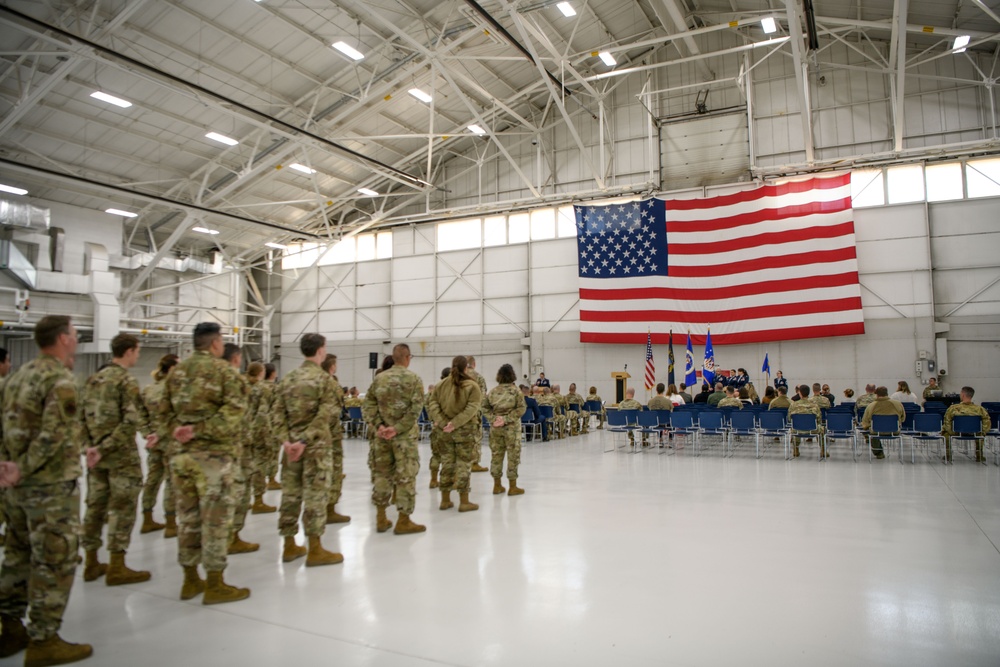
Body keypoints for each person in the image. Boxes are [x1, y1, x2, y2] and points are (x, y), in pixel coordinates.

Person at [0, 316, 93, 665]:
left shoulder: (15, 377)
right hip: (50, 489)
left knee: (17, 554)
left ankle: (9, 628)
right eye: (74, 333)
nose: (77, 338)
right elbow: (54, 435)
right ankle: (44, 639)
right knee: (54, 559)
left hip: (15, 490)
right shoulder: (60, 379)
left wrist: (7, 466)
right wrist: (23, 466)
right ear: (63, 339)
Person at [160, 322, 250, 605]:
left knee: (187, 519)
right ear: (215, 344)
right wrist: (199, 430)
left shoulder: (176, 374)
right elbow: (234, 413)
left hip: (181, 457)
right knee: (215, 520)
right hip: (214, 459)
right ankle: (215, 582)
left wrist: (179, 431)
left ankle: (189, 579)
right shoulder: (224, 372)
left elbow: (161, 413)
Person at [81, 333, 158, 586]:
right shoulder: (125, 381)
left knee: (95, 507)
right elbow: (130, 421)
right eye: (137, 351)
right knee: (122, 509)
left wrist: (90, 448)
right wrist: (106, 448)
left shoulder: (93, 379)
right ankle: (116, 565)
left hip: (96, 458)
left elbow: (80, 418)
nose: (138, 355)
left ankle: (91, 560)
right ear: (128, 351)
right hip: (120, 457)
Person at [270, 335, 343, 566]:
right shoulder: (325, 381)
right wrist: (303, 441)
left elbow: (276, 414)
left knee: (290, 495)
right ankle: (315, 549)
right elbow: (325, 416)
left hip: (290, 450)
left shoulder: (288, 379)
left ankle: (289, 545)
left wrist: (287, 442)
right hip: (315, 449)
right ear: (321, 350)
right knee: (315, 496)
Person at [364, 344, 425, 534]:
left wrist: (380, 426)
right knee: (406, 476)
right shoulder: (414, 379)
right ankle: (403, 520)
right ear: (407, 357)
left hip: (381, 437)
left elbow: (368, 405)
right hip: (404, 438)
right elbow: (415, 410)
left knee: (382, 475)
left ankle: (381, 517)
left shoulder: (379, 379)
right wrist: (397, 428)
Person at [428, 356, 482, 514]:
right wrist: (455, 423)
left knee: (447, 463)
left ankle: (445, 500)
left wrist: (443, 422)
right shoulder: (473, 386)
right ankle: (464, 501)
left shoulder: (440, 385)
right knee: (464, 464)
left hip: (444, 432)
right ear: (466, 368)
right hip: (464, 431)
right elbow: (472, 407)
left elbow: (432, 403)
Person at [222, 343, 257, 556]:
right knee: (238, 490)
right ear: (236, 359)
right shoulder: (235, 382)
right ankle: (232, 536)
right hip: (236, 446)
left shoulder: (185, 376)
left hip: (202, 453)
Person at [140, 354, 180, 538]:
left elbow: (140, 415)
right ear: (171, 368)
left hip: (153, 443)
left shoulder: (149, 389)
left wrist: (148, 434)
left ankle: (147, 518)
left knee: (152, 479)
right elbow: (174, 418)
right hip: (170, 441)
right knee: (172, 482)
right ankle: (171, 523)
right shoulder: (174, 390)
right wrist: (159, 434)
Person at [484, 365, 527, 496]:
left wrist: (493, 419)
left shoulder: (492, 392)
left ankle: (497, 486)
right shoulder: (516, 391)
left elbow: (484, 408)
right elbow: (521, 409)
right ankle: (512, 487)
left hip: (496, 429)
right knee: (513, 456)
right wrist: (507, 419)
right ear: (512, 375)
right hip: (512, 429)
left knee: (496, 455)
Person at [320, 354, 349, 524]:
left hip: (305, 438)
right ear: (332, 366)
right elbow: (334, 412)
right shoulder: (332, 384)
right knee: (334, 470)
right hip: (329, 435)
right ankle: (329, 509)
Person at [248, 362, 278, 514]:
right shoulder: (262, 389)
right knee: (259, 465)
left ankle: (244, 500)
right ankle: (258, 501)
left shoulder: (243, 386)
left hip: (242, 432)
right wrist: (266, 436)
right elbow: (262, 414)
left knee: (245, 466)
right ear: (261, 372)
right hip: (258, 432)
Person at [942, 386, 992, 463]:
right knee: (981, 434)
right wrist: (982, 432)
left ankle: (948, 455)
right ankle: (979, 455)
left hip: (957, 432)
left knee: (945, 433)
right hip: (975, 433)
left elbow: (947, 422)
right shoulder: (980, 409)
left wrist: (952, 432)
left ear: (962, 395)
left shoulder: (953, 408)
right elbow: (987, 421)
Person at [860, 386, 905, 460]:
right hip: (894, 431)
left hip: (876, 431)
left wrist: (867, 426)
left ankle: (879, 453)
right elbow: (903, 418)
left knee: (872, 433)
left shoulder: (871, 406)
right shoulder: (898, 404)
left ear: (876, 394)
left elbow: (865, 422)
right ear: (887, 394)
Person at [466, 356, 490, 472]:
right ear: (474, 364)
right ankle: (474, 463)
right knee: (475, 437)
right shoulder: (478, 377)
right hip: (474, 412)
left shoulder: (457, 377)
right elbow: (483, 396)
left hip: (459, 413)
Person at [787, 385, 823, 457]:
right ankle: (823, 450)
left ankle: (796, 448)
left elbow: (789, 419)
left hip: (797, 430)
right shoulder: (814, 405)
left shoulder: (793, 405)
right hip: (813, 430)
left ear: (799, 393)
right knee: (822, 429)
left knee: (794, 427)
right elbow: (819, 420)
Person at [428, 368, 449, 486]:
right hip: (448, 427)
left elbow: (429, 407)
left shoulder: (435, 390)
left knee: (435, 454)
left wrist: (434, 420)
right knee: (449, 455)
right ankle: (450, 481)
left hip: (436, 426)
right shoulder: (452, 389)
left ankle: (433, 479)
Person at [262, 364, 282, 489]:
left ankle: (260, 479)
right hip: (273, 425)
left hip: (258, 425)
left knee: (260, 454)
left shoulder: (256, 387)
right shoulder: (275, 389)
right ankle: (271, 479)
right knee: (273, 453)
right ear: (273, 373)